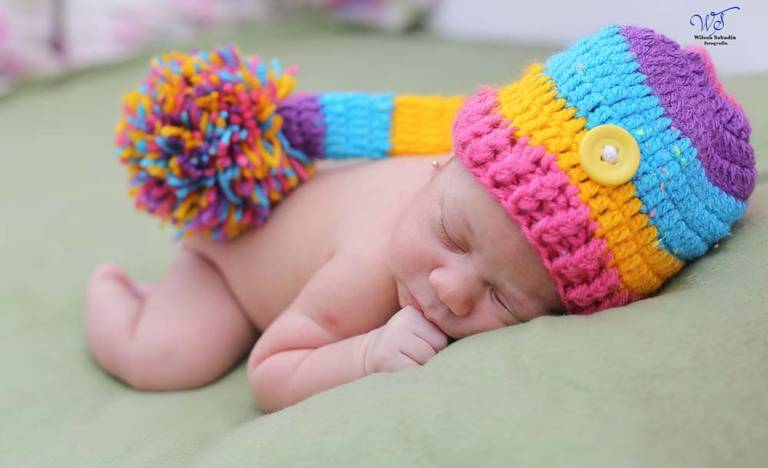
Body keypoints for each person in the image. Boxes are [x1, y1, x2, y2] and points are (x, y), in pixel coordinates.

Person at [85, 25, 756, 413]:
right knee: (173, 357)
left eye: (505, 299)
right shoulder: (367, 267)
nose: (451, 289)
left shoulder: (465, 197)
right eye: (450, 236)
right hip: (229, 261)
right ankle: (115, 296)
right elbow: (271, 369)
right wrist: (366, 355)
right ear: (441, 166)